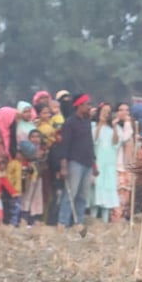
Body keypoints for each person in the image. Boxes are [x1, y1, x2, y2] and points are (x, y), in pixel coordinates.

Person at [58, 93, 97, 228]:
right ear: (79, 105)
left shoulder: (87, 122)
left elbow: (90, 143)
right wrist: (63, 166)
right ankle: (63, 221)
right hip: (74, 162)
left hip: (87, 162)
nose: (89, 107)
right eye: (87, 104)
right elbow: (64, 145)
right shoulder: (70, 122)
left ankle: (78, 222)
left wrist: (94, 163)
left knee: (82, 195)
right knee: (70, 193)